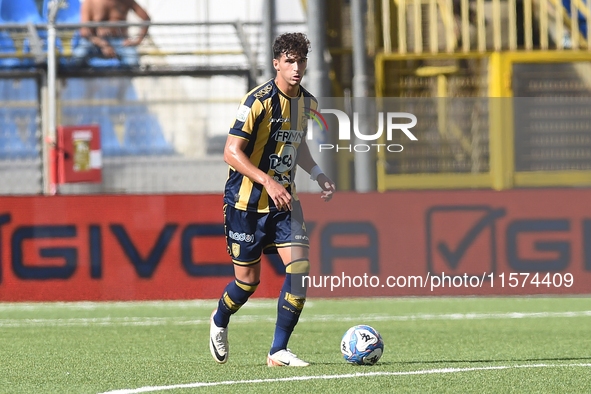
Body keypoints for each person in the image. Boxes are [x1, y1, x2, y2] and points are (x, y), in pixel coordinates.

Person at [209, 32, 336, 367]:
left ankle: (278, 350)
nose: (297, 68)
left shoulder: (308, 104)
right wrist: (267, 181)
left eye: (301, 61)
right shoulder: (257, 102)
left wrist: (318, 173)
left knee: (300, 268)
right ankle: (220, 319)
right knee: (247, 283)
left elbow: (297, 145)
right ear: (277, 63)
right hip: (246, 205)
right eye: (290, 61)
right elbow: (230, 152)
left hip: (284, 205)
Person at [71, 0, 150, 67]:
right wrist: (102, 44)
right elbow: (84, 31)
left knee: (133, 62)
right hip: (96, 41)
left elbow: (146, 18)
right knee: (77, 57)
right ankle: (86, 80)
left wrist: (137, 41)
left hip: (120, 41)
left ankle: (121, 81)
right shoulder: (90, 2)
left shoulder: (126, 1)